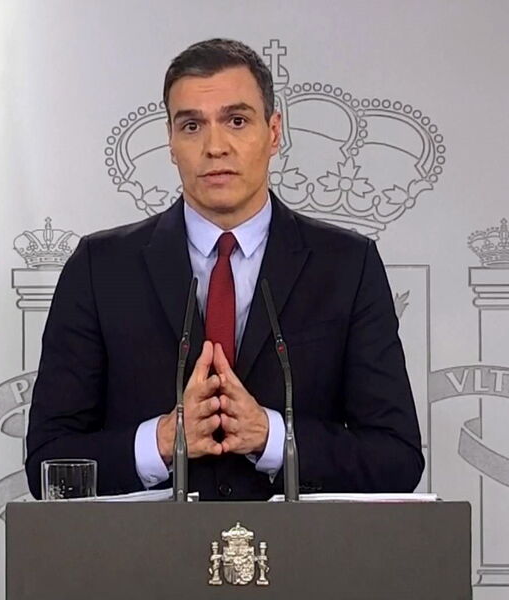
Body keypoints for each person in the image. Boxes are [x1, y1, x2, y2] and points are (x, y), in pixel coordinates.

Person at [26, 39, 424, 500]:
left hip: (297, 546)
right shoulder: (100, 269)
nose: (215, 147)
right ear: (171, 142)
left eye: (237, 121)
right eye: (192, 125)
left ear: (274, 132)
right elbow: (48, 464)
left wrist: (271, 436)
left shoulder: (347, 266)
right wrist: (162, 441)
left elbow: (397, 459)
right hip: (148, 546)